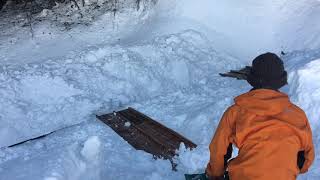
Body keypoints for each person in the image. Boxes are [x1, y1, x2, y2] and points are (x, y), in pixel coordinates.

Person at [206, 52, 315, 180]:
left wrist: (215, 174)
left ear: (252, 79)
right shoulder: (298, 115)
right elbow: (307, 158)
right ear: (281, 80)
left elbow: (219, 150)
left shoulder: (235, 112)